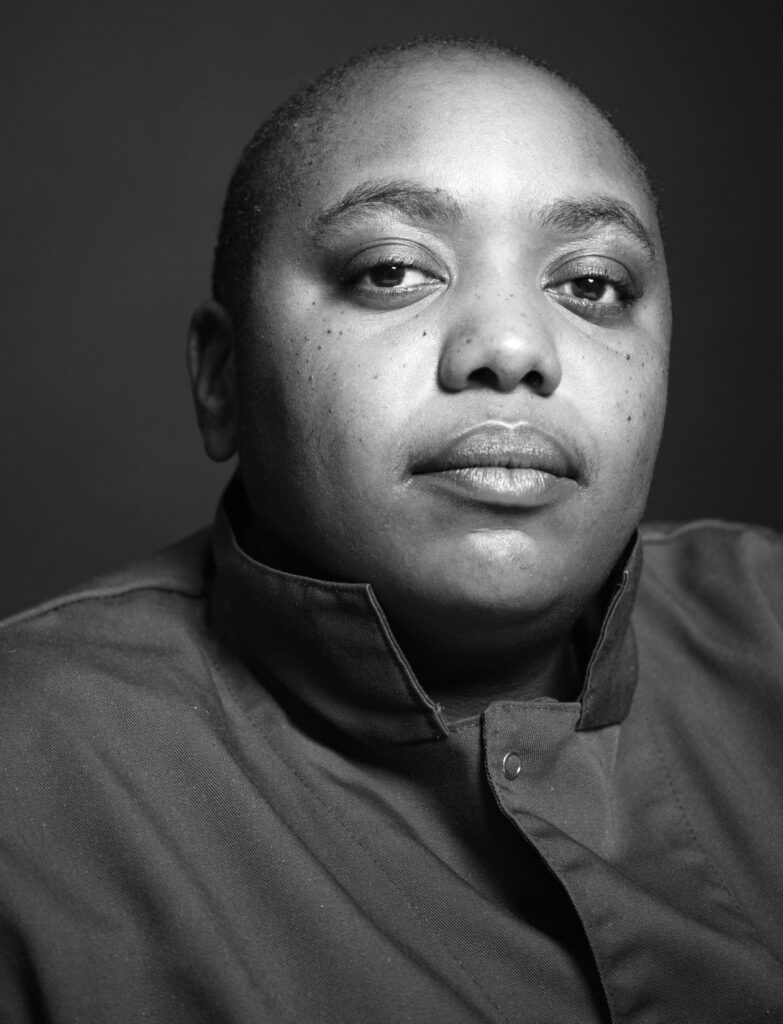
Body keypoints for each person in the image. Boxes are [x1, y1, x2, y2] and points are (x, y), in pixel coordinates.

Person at [1, 35, 782, 1024]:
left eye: (591, 285)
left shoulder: (769, 625)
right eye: (392, 271)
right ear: (220, 377)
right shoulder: (28, 782)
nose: (509, 347)